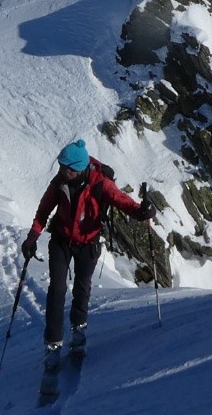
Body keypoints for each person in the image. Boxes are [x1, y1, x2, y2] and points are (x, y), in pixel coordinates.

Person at [20, 139, 155, 359]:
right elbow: (43, 211)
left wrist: (142, 212)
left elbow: (122, 201)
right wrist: (32, 237)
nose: (62, 171)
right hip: (61, 241)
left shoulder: (100, 183)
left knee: (81, 289)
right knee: (57, 289)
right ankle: (53, 343)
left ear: (78, 168)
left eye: (66, 168)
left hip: (88, 243)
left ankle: (78, 331)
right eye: (61, 167)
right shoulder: (60, 182)